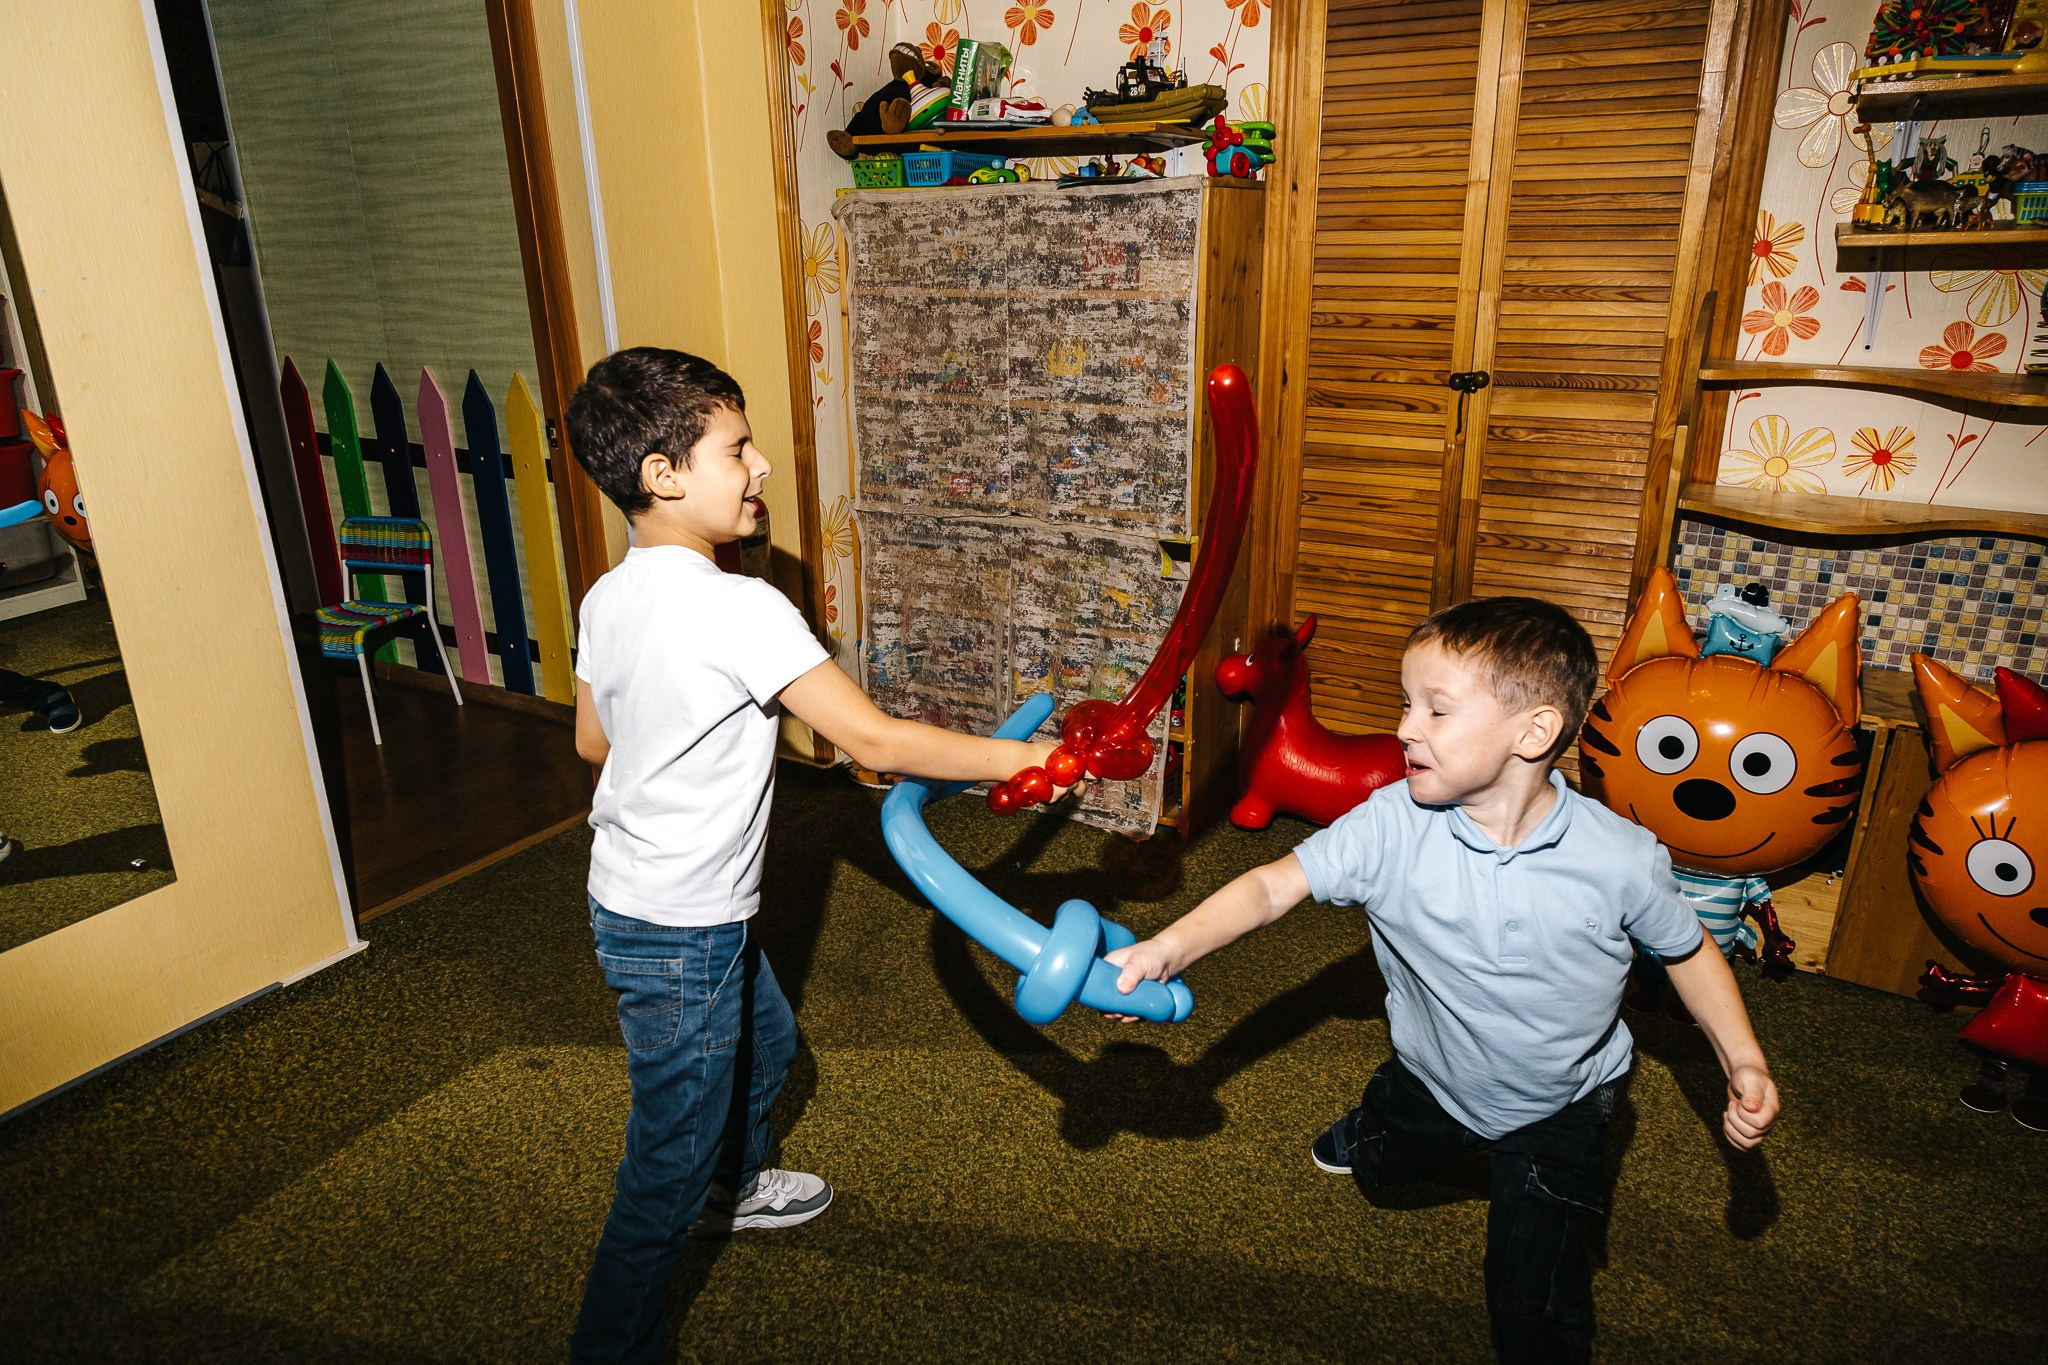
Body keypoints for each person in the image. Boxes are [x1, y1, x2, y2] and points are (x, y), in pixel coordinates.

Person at [1105, 597, 1780, 1363]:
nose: (1404, 728)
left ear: (1534, 732)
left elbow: (1688, 951)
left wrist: (1742, 1058)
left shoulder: (1620, 857)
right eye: (1406, 703)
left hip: (1564, 1104)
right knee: (1384, 1164)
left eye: (1436, 709)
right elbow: (1269, 887)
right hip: (1432, 1073)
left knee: (1537, 1299)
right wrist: (1170, 946)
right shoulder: (1390, 823)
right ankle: (1372, 1129)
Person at [563, 348, 1070, 1365]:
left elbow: (592, 742)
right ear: (664, 474)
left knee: (771, 1045)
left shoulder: (609, 594)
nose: (759, 468)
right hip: (683, 924)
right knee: (662, 1164)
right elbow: (873, 742)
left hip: (629, 897)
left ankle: (732, 1188)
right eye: (736, 448)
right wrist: (1020, 758)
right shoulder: (740, 607)